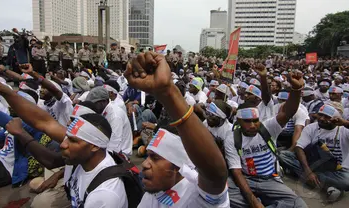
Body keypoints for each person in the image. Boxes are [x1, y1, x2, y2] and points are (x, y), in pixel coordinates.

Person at [0, 70, 128, 207]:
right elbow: (44, 122)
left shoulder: (104, 196)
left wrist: (21, 133)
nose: (63, 144)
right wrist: (0, 88)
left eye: (72, 141)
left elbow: (52, 160)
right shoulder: (85, 147)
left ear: (94, 146)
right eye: (67, 137)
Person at [126, 51, 229, 207]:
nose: (145, 164)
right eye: (149, 156)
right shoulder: (153, 193)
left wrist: (167, 92)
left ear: (177, 167)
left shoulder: (196, 197)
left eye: (155, 158)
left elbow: (215, 176)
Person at [224, 68, 308, 207]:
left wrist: (296, 89)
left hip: (270, 180)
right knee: (223, 195)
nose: (252, 125)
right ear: (238, 122)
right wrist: (253, 201)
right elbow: (237, 172)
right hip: (247, 178)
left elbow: (287, 112)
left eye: (255, 120)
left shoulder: (267, 127)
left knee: (299, 205)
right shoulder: (231, 138)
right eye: (247, 121)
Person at [279, 104, 349, 202]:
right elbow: (299, 147)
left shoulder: (344, 130)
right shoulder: (312, 127)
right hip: (313, 164)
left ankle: (311, 179)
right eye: (320, 115)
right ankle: (330, 186)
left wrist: (345, 123)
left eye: (326, 117)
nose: (321, 119)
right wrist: (308, 171)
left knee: (347, 180)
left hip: (337, 170)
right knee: (283, 155)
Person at [86, 86, 133, 157]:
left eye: (94, 104)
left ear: (103, 102)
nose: (92, 106)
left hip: (120, 154)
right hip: (109, 148)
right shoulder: (104, 111)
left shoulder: (115, 115)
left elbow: (114, 145)